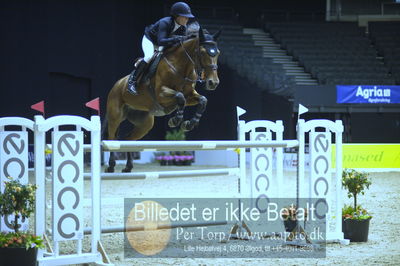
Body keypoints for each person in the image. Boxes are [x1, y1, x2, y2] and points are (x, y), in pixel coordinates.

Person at [127, 2, 195, 95]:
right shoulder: (165, 22)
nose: (187, 19)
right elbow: (161, 41)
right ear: (177, 16)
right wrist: (178, 38)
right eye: (185, 17)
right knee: (149, 56)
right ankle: (132, 82)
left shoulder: (183, 27)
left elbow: (180, 44)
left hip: (163, 43)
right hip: (150, 40)